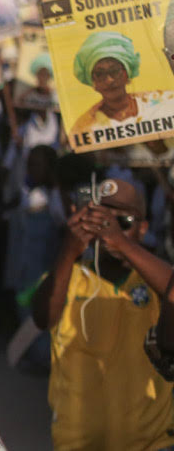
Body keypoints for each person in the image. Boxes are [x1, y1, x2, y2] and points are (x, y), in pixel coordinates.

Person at [33, 177, 174, 450]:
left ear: (143, 229)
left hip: (151, 445)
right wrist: (69, 249)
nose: (109, 230)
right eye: (100, 219)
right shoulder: (70, 276)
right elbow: (43, 318)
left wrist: (122, 244)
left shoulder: (155, 280)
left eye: (124, 222)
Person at [69, 30, 172, 138]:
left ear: (126, 73)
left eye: (114, 71)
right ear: (92, 81)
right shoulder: (83, 128)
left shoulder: (164, 102)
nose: (109, 80)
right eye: (100, 74)